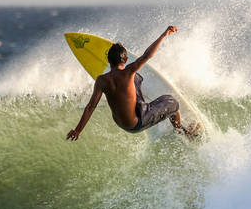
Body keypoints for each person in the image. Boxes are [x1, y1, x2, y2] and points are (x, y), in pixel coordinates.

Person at [66, 25, 196, 141]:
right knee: (172, 102)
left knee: (134, 78)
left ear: (108, 60)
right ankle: (181, 131)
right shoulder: (128, 72)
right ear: (126, 59)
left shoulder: (101, 80)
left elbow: (90, 107)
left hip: (121, 123)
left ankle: (139, 101)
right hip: (137, 122)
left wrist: (78, 130)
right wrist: (163, 35)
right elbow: (147, 55)